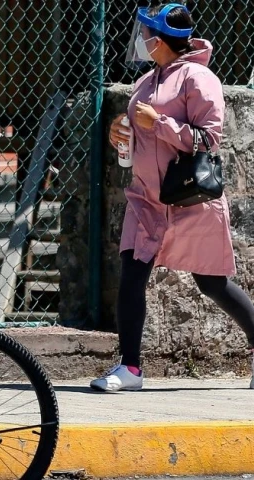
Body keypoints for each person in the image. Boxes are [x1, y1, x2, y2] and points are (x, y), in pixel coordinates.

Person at [91, 3, 254, 392]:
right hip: (146, 199)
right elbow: (139, 130)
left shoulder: (199, 78)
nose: (141, 40)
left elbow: (209, 140)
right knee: (132, 273)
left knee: (212, 283)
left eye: (146, 34)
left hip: (188, 200)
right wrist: (121, 131)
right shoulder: (148, 80)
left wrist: (158, 123)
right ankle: (130, 368)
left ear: (158, 40)